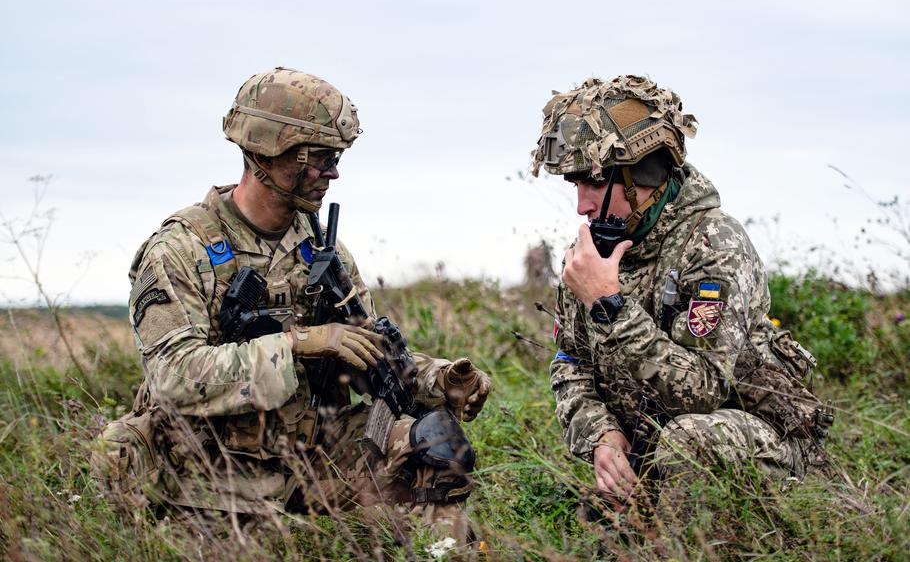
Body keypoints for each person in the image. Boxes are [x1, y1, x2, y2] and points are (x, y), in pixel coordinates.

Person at [91, 67, 491, 540]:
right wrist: (302, 342)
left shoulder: (324, 251)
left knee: (434, 451)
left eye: (336, 157)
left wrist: (438, 379)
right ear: (270, 151)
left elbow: (366, 349)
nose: (333, 172)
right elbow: (174, 376)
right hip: (212, 469)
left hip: (314, 452)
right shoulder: (182, 249)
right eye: (320, 158)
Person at [530, 75, 833, 513]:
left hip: (754, 441)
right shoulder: (593, 252)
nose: (581, 206)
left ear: (640, 175)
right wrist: (601, 436)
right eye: (575, 185)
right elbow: (570, 364)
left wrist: (608, 304)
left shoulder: (713, 245)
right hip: (657, 453)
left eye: (594, 183)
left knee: (686, 442)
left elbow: (705, 389)